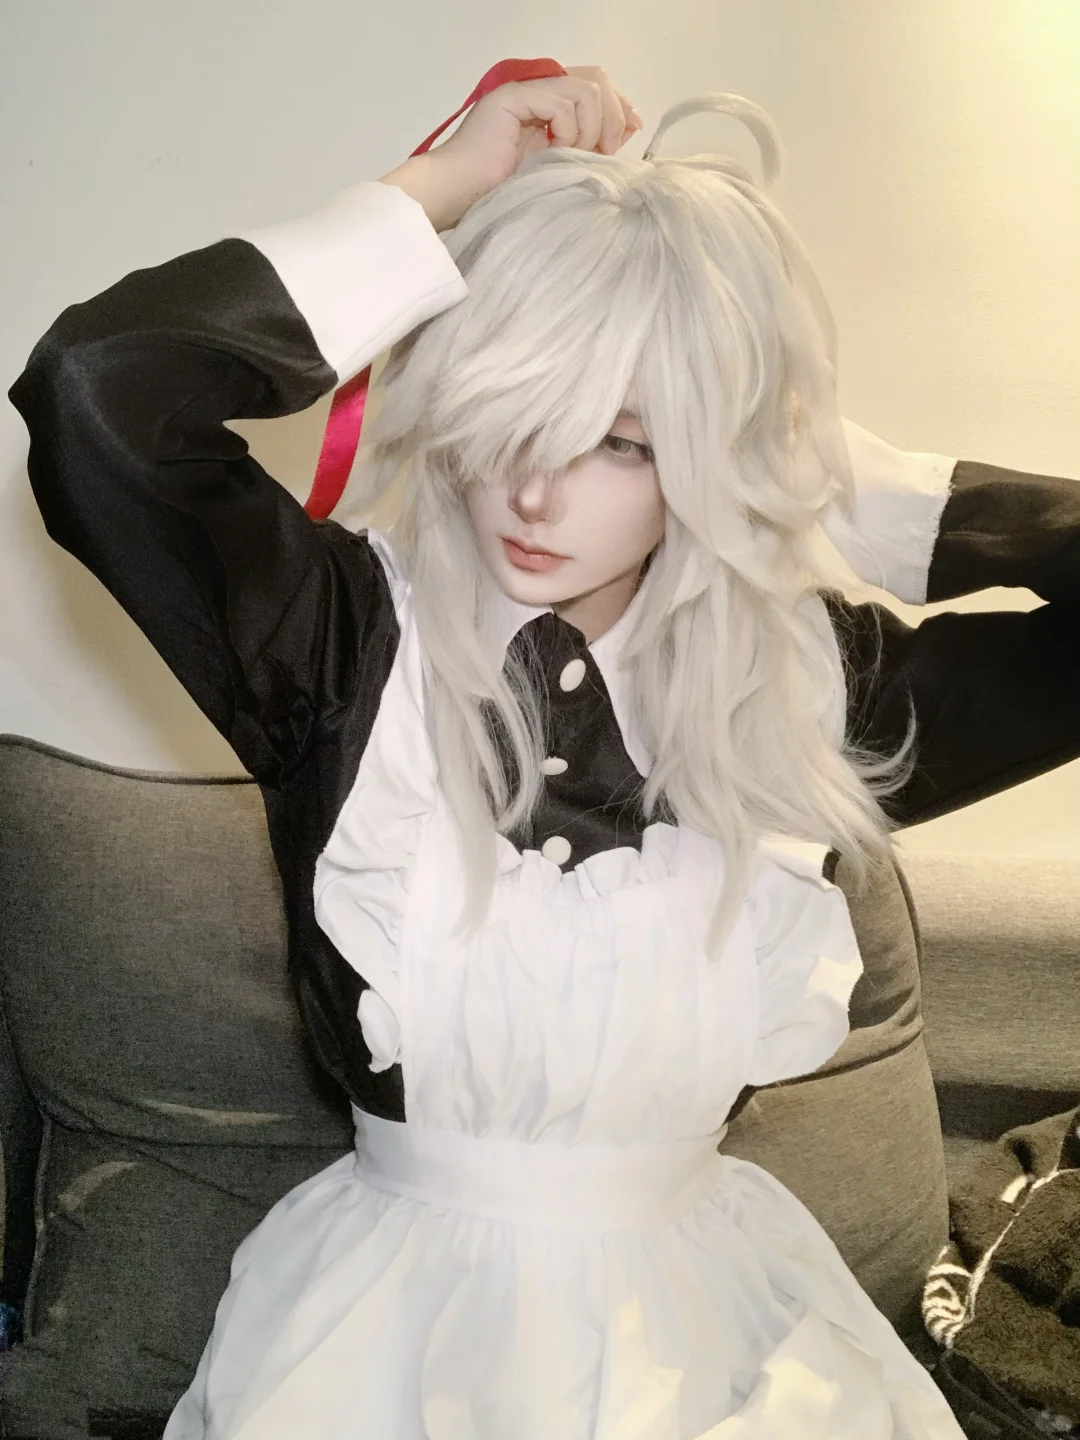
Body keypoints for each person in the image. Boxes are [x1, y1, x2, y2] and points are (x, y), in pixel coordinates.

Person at [10, 62, 1080, 1440]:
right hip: (386, 1346)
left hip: (724, 1343)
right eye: (513, 413)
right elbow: (96, 394)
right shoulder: (337, 645)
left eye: (619, 442)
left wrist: (839, 484)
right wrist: (435, 194)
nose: (531, 489)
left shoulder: (807, 685)